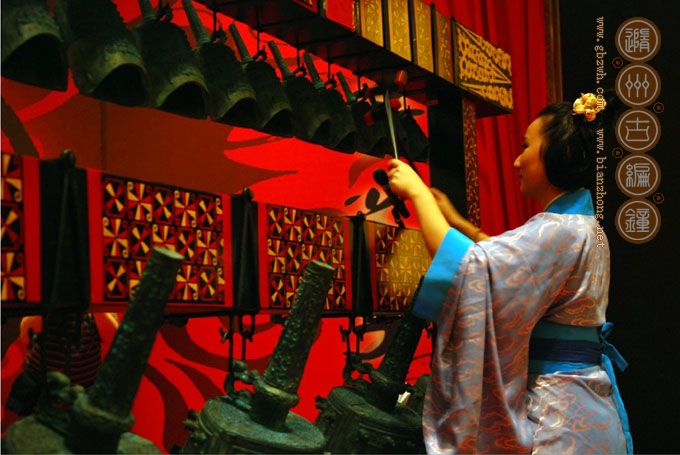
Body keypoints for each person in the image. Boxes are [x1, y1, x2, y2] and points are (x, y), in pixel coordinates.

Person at [387, 93, 632, 454]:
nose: (517, 160)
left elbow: (472, 269)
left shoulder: (558, 231)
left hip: (558, 420)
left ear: (561, 153)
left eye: (526, 146)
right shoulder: (583, 226)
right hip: (585, 407)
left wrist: (417, 193)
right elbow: (508, 269)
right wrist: (457, 222)